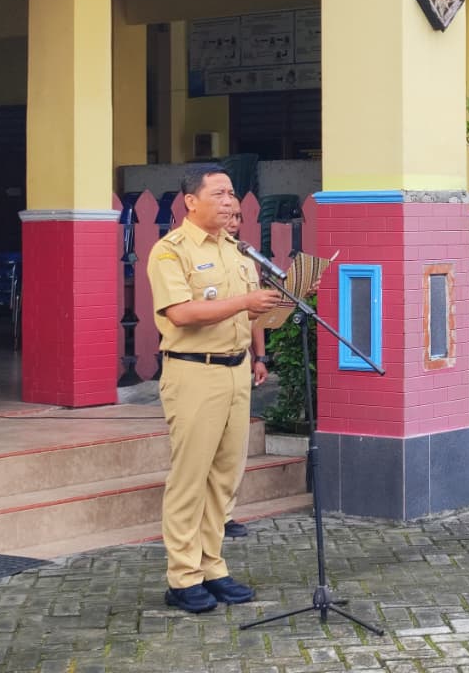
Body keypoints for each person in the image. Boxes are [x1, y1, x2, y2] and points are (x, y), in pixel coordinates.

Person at [147, 164, 281, 614]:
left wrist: (282, 304)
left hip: (235, 370)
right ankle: (183, 576)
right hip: (194, 373)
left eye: (233, 194)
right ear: (191, 201)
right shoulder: (171, 251)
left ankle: (212, 567)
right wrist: (245, 301)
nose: (230, 201)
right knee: (191, 478)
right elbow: (181, 313)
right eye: (220, 194)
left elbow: (251, 313)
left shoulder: (237, 250)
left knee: (225, 477)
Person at [220, 209, 271, 539]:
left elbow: (255, 317)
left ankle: (224, 514)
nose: (232, 222)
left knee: (234, 448)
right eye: (227, 215)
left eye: (237, 216)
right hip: (205, 364)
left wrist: (260, 357)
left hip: (239, 361)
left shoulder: (246, 260)